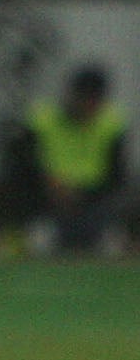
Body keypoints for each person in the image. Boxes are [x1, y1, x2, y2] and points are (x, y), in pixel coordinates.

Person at [20, 66, 127, 255]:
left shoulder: (112, 124)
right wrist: (51, 185)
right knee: (38, 242)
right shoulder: (42, 120)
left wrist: (81, 195)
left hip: (94, 202)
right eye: (86, 99)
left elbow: (117, 176)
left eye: (95, 100)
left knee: (112, 246)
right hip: (48, 203)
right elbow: (24, 166)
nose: (90, 106)